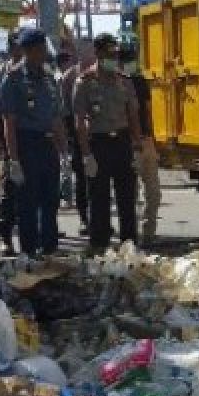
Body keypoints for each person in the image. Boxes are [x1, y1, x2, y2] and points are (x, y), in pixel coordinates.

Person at [0, 28, 69, 257]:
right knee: (27, 202)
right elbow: (9, 122)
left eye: (43, 48)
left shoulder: (49, 78)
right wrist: (14, 159)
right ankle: (29, 252)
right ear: (27, 51)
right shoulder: (13, 79)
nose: (43, 54)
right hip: (26, 144)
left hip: (47, 143)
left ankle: (50, 248)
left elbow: (56, 117)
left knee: (50, 199)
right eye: (38, 49)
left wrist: (64, 151)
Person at [72, 33, 142, 252]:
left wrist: (137, 147)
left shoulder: (125, 81)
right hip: (99, 144)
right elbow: (80, 120)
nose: (114, 57)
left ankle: (129, 244)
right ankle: (99, 245)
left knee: (127, 197)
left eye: (115, 53)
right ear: (98, 53)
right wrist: (86, 155)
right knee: (99, 198)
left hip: (121, 142)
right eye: (109, 53)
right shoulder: (84, 82)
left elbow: (133, 116)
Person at [0, 30, 23, 256]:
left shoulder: (39, 72)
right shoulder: (0, 74)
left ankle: (35, 238)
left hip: (33, 137)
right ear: (12, 48)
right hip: (9, 138)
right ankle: (5, 237)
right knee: (9, 190)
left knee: (34, 190)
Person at [122, 47, 161, 245]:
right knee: (131, 192)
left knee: (153, 192)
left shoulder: (139, 81)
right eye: (128, 60)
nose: (132, 63)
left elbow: (147, 111)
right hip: (128, 142)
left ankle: (149, 234)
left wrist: (152, 138)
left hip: (146, 140)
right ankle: (132, 235)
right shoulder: (117, 83)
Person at [56, 48, 89, 234]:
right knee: (82, 180)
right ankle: (84, 219)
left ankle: (100, 220)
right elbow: (64, 113)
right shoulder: (68, 78)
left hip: (98, 137)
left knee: (98, 181)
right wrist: (69, 138)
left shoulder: (100, 75)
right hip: (77, 136)